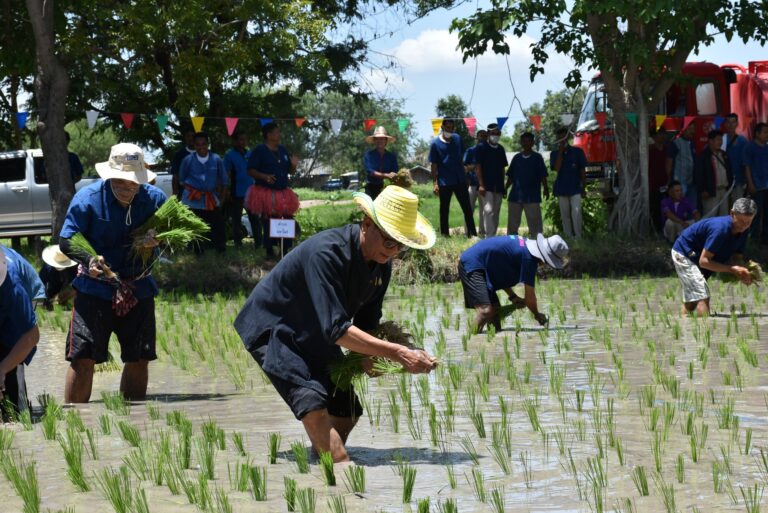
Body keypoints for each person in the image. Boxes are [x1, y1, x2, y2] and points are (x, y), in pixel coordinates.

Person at [234, 186, 438, 462]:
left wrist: (369, 358)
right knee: (317, 410)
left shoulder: (381, 264)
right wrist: (398, 353)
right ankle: (335, 462)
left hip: (315, 330)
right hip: (278, 328)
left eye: (401, 246)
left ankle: (320, 462)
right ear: (367, 224)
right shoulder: (327, 253)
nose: (394, 252)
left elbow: (366, 321)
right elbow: (337, 329)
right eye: (391, 242)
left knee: (347, 409)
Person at [59, 143, 167, 403]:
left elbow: (173, 236)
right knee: (82, 356)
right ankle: (75, 423)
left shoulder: (156, 200)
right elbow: (67, 239)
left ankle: (135, 421)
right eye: (120, 182)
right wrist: (89, 258)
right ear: (109, 176)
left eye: (132, 183)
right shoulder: (87, 199)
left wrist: (159, 239)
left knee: (139, 357)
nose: (126, 188)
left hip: (138, 286)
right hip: (94, 288)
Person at [459, 233, 569, 333]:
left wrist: (513, 296)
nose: (546, 264)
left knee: (495, 315)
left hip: (482, 266)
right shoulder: (529, 259)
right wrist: (537, 314)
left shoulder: (525, 247)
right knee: (485, 311)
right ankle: (469, 341)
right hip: (472, 264)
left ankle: (489, 350)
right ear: (545, 256)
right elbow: (530, 297)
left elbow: (501, 274)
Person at [671, 198, 756, 317]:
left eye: (748, 222)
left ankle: (684, 322)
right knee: (702, 296)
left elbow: (737, 257)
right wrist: (731, 269)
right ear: (732, 214)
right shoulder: (720, 229)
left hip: (704, 257)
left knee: (693, 299)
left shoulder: (744, 230)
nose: (744, 226)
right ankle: (706, 330)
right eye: (741, 221)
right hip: (685, 253)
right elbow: (704, 261)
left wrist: (744, 273)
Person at [245, 122, 300, 259]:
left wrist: (293, 165)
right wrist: (264, 176)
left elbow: (290, 171)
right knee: (269, 220)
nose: (279, 134)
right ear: (268, 135)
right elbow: (250, 170)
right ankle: (269, 250)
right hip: (265, 192)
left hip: (283, 192)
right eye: (277, 132)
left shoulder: (282, 150)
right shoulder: (259, 150)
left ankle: (285, 249)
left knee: (287, 218)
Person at [0, 246, 40, 418]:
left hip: (14, 320)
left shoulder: (13, 286)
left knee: (14, 411)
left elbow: (31, 335)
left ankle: (17, 411)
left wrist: (2, 369)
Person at [180, 132, 228, 253]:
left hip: (211, 198)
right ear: (194, 145)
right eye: (198, 144)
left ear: (208, 144)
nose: (201, 147)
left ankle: (221, 251)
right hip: (192, 199)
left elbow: (224, 180)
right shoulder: (188, 160)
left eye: (204, 144)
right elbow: (182, 179)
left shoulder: (216, 159)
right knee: (195, 226)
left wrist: (222, 198)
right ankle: (198, 252)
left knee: (218, 225)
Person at [430, 119, 477, 238]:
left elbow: (461, 159)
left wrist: (465, 176)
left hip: (459, 179)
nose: (450, 130)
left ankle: (472, 234)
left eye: (452, 128)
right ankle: (445, 234)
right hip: (444, 181)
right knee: (444, 209)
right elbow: (434, 165)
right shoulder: (435, 144)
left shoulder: (457, 139)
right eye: (447, 128)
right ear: (442, 127)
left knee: (467, 208)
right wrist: (435, 183)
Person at [506, 131, 548, 236]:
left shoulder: (537, 158)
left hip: (532, 196)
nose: (526, 143)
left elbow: (543, 175)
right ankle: (511, 243)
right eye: (524, 141)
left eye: (529, 141)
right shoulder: (516, 158)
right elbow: (511, 176)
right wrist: (505, 188)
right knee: (512, 225)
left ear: (533, 143)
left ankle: (537, 244)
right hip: (515, 196)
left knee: (535, 226)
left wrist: (546, 189)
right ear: (521, 143)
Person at [551, 127, 587, 239]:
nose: (562, 139)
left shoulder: (578, 152)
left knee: (576, 213)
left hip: (575, 188)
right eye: (559, 137)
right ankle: (568, 237)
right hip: (561, 188)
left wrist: (583, 188)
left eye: (564, 137)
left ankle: (578, 237)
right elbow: (557, 168)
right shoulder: (554, 153)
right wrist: (561, 152)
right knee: (565, 215)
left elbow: (582, 171)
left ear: (568, 138)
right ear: (557, 139)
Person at [475, 123, 508, 237]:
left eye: (498, 133)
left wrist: (503, 186)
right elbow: (478, 167)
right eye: (494, 133)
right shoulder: (481, 147)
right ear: (488, 133)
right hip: (486, 186)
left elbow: (503, 169)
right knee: (488, 211)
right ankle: (489, 237)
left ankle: (492, 235)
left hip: (498, 186)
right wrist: (481, 185)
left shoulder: (501, 149)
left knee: (496, 211)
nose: (496, 135)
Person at [223, 130, 255, 248]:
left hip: (252, 192)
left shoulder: (250, 154)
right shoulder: (229, 155)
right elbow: (226, 174)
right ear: (235, 141)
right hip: (237, 192)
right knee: (236, 219)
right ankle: (238, 243)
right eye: (240, 139)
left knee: (254, 218)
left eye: (245, 139)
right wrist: (227, 191)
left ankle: (259, 243)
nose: (243, 142)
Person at [696, 129, 732, 218]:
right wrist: (703, 190)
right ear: (710, 141)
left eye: (721, 139)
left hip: (724, 191)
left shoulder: (724, 154)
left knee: (723, 217)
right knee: (710, 217)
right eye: (718, 139)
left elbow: (729, 171)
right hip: (710, 192)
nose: (720, 142)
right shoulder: (703, 156)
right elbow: (699, 174)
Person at [745, 123, 768, 244]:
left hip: (767, 185)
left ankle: (765, 240)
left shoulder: (767, 147)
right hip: (757, 186)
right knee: (756, 214)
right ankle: (753, 241)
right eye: (765, 132)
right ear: (757, 133)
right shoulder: (750, 147)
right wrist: (750, 184)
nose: (767, 135)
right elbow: (747, 166)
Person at [666, 121, 697, 207]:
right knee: (679, 208)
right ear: (683, 130)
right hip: (678, 183)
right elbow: (669, 162)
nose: (692, 131)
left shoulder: (692, 143)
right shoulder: (675, 143)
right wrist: (669, 180)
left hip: (691, 182)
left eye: (693, 129)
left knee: (691, 208)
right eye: (689, 129)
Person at [363, 126, 399, 199]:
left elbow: (395, 171)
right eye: (377, 139)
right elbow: (371, 172)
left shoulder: (391, 157)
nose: (379, 141)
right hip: (371, 188)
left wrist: (393, 175)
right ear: (374, 141)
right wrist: (387, 175)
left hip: (387, 189)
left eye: (382, 139)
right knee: (370, 209)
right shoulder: (368, 155)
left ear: (386, 141)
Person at [464, 130, 488, 237]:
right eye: (480, 136)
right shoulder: (470, 151)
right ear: (476, 138)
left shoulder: (489, 151)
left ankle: (483, 232)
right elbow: (464, 167)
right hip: (472, 184)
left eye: (484, 136)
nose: (482, 137)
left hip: (486, 186)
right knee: (469, 209)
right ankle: (468, 233)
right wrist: (474, 167)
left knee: (485, 211)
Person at [39, 244, 78, 309]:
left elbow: (78, 283)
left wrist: (66, 294)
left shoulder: (73, 268)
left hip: (69, 290)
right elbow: (40, 283)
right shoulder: (47, 268)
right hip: (52, 290)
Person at [722, 113, 748, 203]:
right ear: (725, 124)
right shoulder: (720, 139)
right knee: (723, 209)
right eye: (728, 122)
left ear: (737, 124)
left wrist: (746, 180)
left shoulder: (743, 141)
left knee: (737, 206)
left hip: (738, 180)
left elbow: (746, 163)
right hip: (723, 181)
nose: (730, 125)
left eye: (733, 122)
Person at [648, 129, 669, 230]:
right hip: (653, 183)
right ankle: (655, 229)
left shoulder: (667, 149)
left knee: (666, 206)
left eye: (664, 134)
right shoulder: (650, 150)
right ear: (654, 137)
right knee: (655, 206)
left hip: (665, 182)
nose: (663, 136)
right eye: (660, 134)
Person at [171, 127, 196, 199]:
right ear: (185, 138)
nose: (190, 138)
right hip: (184, 192)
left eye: (192, 136)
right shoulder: (179, 155)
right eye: (188, 136)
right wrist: (175, 193)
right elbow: (175, 175)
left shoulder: (204, 153)